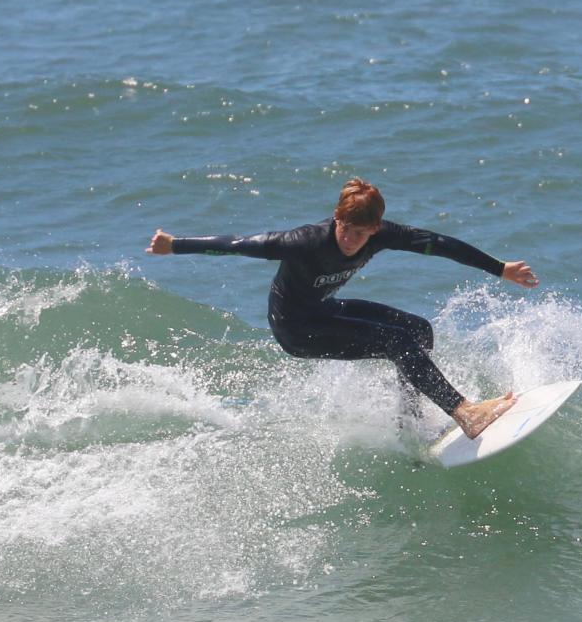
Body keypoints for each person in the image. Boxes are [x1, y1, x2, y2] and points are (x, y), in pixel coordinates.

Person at [145, 178, 539, 438]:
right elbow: (236, 244)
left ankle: (411, 421)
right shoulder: (302, 241)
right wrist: (174, 244)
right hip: (295, 329)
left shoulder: (382, 235)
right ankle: (464, 412)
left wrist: (499, 268)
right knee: (396, 340)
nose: (351, 240)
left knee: (419, 332)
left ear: (376, 229)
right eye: (345, 229)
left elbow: (441, 243)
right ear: (337, 219)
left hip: (322, 309)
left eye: (362, 233)